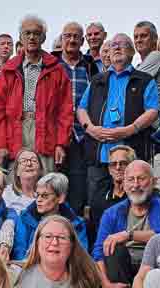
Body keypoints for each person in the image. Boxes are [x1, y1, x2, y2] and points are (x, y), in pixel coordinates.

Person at [77, 33, 159, 211]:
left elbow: (153, 111)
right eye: (113, 45)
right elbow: (81, 109)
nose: (116, 47)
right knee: (96, 205)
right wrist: (90, 129)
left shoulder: (144, 80)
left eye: (122, 44)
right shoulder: (97, 80)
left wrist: (130, 129)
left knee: (134, 204)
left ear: (131, 52)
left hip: (131, 155)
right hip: (100, 154)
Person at [0, 14, 73, 175]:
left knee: (45, 180)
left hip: (46, 133)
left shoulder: (57, 70)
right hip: (16, 132)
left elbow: (65, 110)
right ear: (21, 37)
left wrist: (61, 144)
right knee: (16, 179)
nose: (32, 37)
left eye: (36, 33)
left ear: (44, 37)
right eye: (27, 33)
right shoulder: (9, 70)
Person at [93, 160, 160, 288]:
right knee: (112, 248)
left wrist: (130, 235)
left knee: (154, 254)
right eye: (131, 180)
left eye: (141, 179)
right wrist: (107, 287)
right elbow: (97, 253)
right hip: (123, 269)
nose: (135, 185)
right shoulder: (112, 213)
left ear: (153, 182)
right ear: (124, 184)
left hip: (150, 266)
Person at [58, 21, 101, 216]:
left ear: (82, 41)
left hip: (83, 134)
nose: (72, 40)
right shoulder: (53, 65)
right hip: (59, 134)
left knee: (78, 186)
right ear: (62, 39)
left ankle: (74, 226)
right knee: (56, 183)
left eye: (76, 36)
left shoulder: (90, 67)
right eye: (68, 36)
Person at [12, 173, 89, 260]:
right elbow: (20, 252)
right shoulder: (24, 218)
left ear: (60, 198)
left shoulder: (77, 224)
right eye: (37, 195)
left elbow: (81, 257)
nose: (39, 200)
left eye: (45, 196)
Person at [88, 145, 132, 243]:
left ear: (132, 166)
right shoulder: (100, 194)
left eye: (123, 163)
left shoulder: (140, 194)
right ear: (109, 169)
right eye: (113, 164)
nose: (118, 167)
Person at [134, 21, 160, 107]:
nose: (138, 40)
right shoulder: (139, 66)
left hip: (153, 113)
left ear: (155, 38)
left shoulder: (157, 56)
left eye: (143, 36)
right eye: (136, 37)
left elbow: (130, 85)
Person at [3, 148, 44, 214]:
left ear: (40, 170)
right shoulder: (6, 194)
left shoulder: (48, 195)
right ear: (17, 171)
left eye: (34, 160)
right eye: (23, 161)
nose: (29, 164)